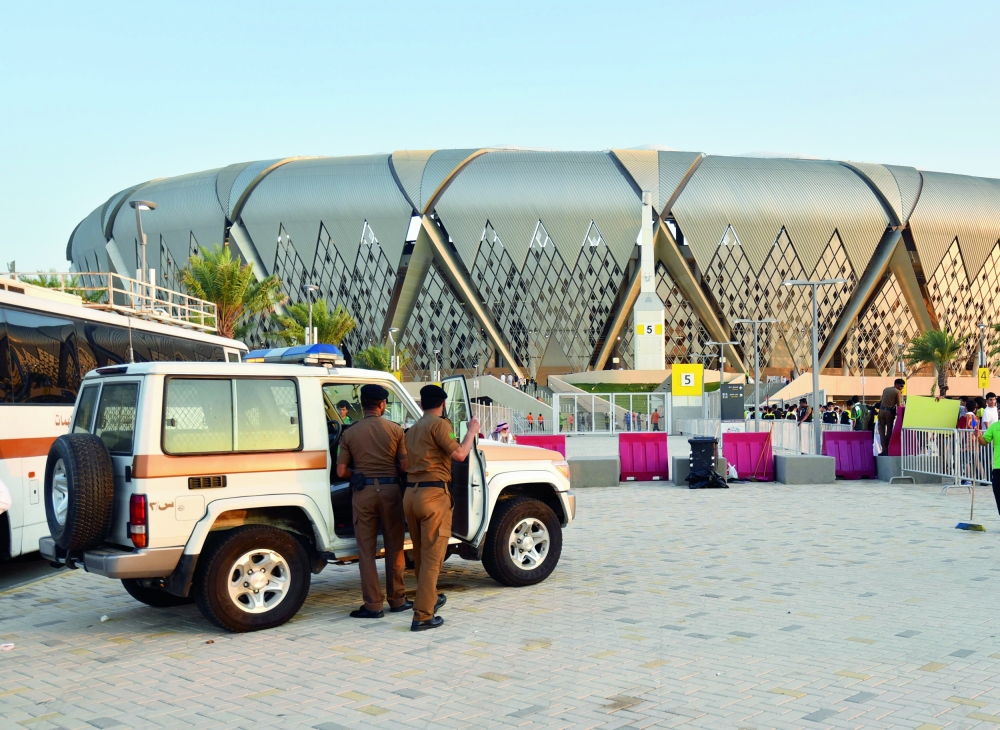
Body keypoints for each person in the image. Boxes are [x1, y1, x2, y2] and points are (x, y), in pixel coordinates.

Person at [403, 384, 479, 631]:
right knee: (433, 558)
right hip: (433, 496)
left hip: (411, 495)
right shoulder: (440, 425)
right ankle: (423, 615)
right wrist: (472, 432)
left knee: (422, 553)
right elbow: (459, 455)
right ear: (443, 404)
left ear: (422, 404)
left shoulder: (412, 430)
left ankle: (431, 599)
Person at [336, 385, 409, 619]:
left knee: (366, 552)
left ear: (363, 405)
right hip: (391, 491)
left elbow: (341, 471)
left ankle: (373, 605)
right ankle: (397, 599)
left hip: (363, 492)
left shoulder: (350, 433)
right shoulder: (396, 430)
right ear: (382, 405)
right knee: (395, 547)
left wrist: (356, 475)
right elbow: (405, 466)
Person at [974, 418, 1000, 515]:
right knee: (998, 495)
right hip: (998, 467)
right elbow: (984, 442)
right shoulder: (994, 426)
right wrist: (979, 436)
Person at [878, 379, 904, 452]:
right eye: (901, 386)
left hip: (881, 411)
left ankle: (884, 449)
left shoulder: (885, 389)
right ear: (896, 384)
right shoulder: (897, 392)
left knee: (882, 431)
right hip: (889, 412)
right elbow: (899, 405)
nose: (902, 387)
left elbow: (881, 400)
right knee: (889, 430)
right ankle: (888, 448)